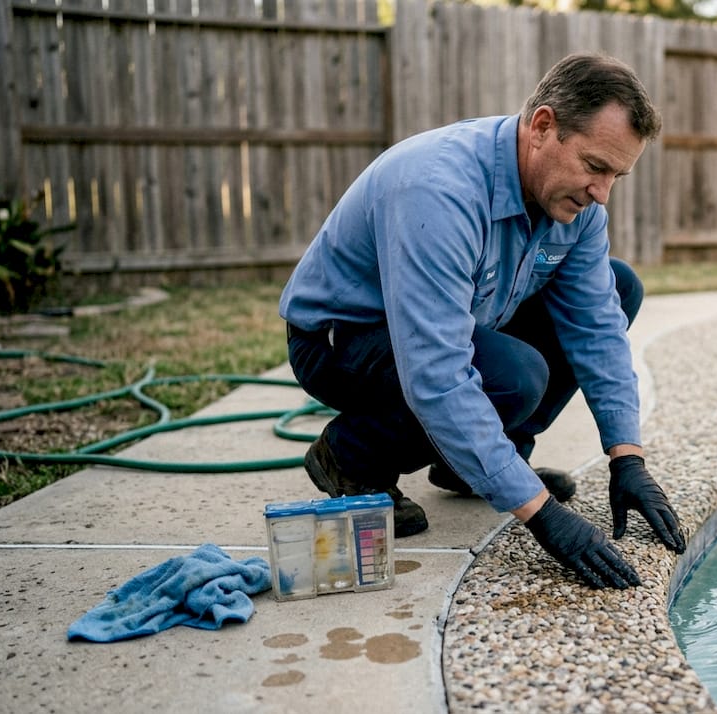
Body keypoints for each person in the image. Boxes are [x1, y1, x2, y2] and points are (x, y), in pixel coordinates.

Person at [279, 52, 684, 589]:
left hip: (453, 324)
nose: (602, 193)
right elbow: (437, 372)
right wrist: (539, 512)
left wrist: (625, 455)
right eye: (594, 166)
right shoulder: (437, 190)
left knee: (620, 285)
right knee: (515, 376)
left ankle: (471, 462)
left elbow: (596, 328)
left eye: (617, 175)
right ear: (543, 127)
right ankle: (352, 456)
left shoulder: (577, 212)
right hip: (343, 340)